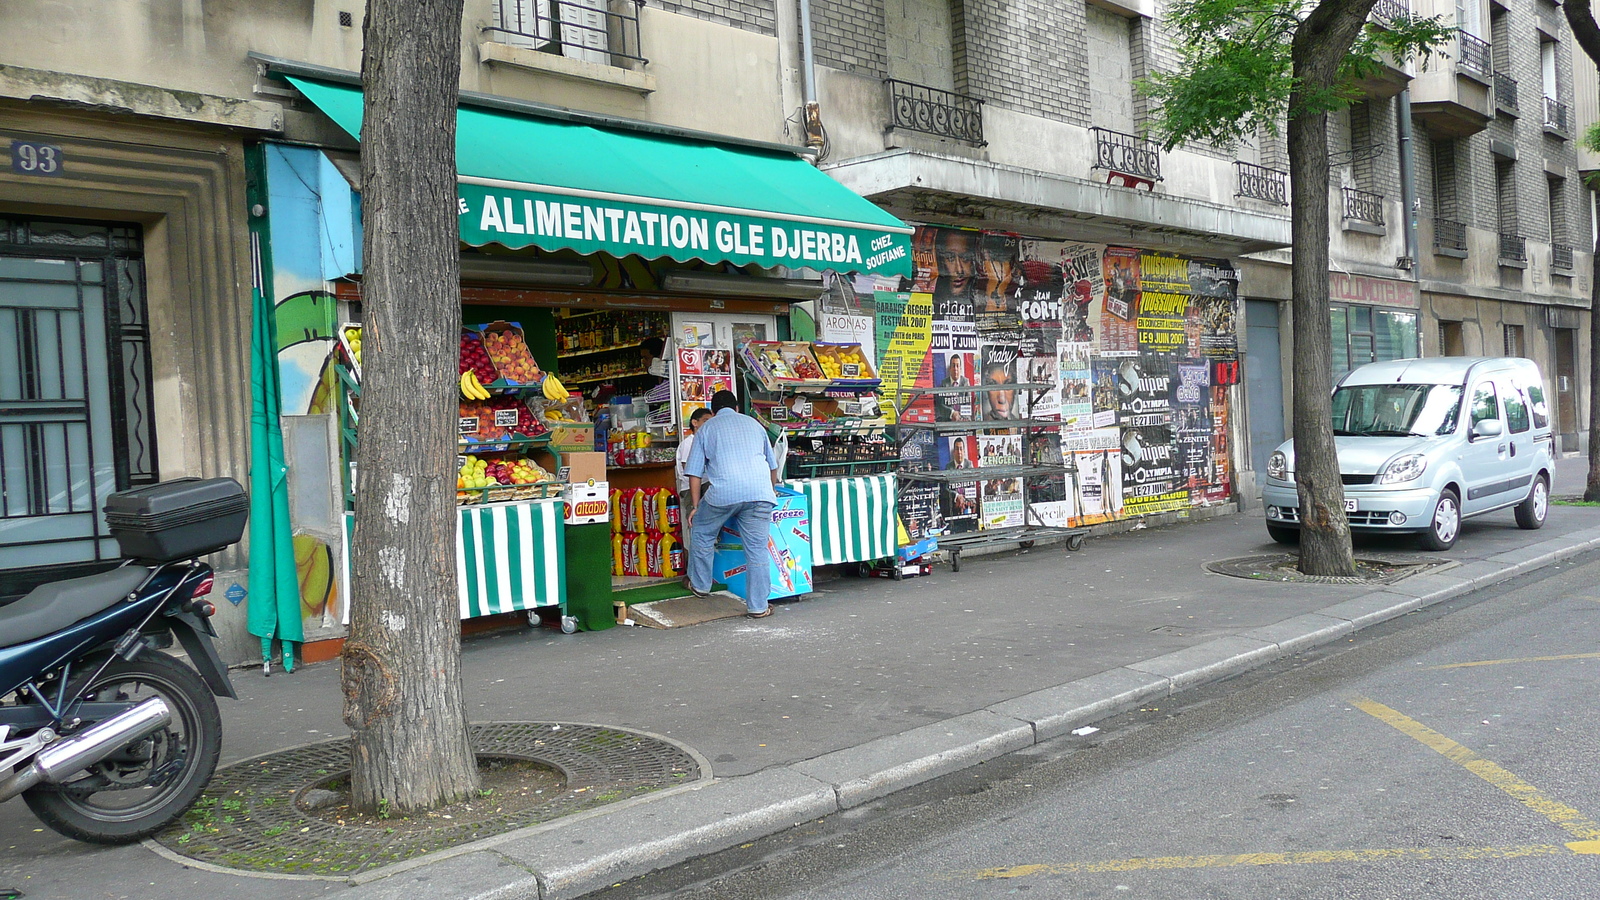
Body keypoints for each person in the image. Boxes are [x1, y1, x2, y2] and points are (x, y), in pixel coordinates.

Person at [684, 390, 780, 618]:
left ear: (713, 411)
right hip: (760, 494)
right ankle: (758, 607)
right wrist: (771, 489)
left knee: (702, 530)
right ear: (737, 408)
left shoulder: (707, 428)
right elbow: (772, 465)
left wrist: (696, 507)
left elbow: (694, 474)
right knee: (757, 550)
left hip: (723, 494)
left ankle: (700, 585)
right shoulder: (755, 425)